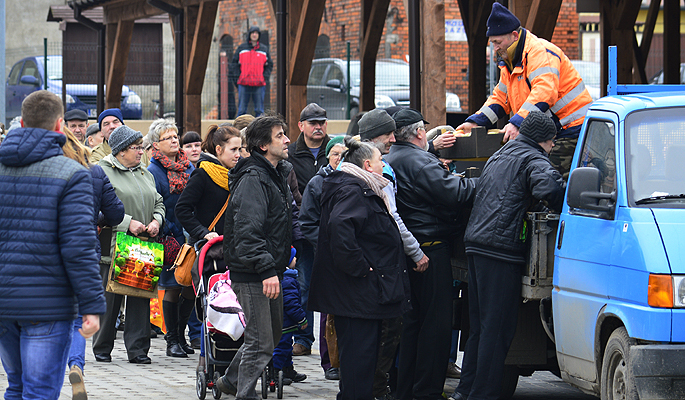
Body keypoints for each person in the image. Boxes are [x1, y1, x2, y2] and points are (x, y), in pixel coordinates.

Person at [449, 111, 566, 400]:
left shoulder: (501, 154)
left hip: (476, 246)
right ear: (545, 140)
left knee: (479, 326)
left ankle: (466, 391)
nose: (552, 148)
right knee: (497, 329)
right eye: (552, 143)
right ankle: (483, 395)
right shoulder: (533, 158)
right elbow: (549, 188)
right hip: (501, 251)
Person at [0, 90, 106, 399]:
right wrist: (91, 305)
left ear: (21, 121)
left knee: (16, 387)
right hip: (48, 305)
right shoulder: (71, 174)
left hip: (4, 301)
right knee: (39, 392)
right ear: (60, 125)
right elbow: (78, 245)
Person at [384, 108, 477, 400]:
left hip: (409, 251)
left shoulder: (393, 158)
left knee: (412, 326)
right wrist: (486, 179)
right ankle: (426, 391)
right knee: (435, 328)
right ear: (420, 133)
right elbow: (458, 193)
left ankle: (406, 389)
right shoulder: (420, 161)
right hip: (430, 250)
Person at [309, 138, 409, 400]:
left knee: (362, 366)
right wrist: (362, 270)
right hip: (356, 295)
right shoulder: (352, 189)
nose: (383, 164)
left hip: (361, 296)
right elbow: (341, 230)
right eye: (380, 160)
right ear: (367, 165)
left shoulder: (357, 186)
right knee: (358, 367)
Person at [456, 2, 592, 178]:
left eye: (497, 42)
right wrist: (476, 123)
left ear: (514, 36)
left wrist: (517, 123)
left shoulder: (539, 52)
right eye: (492, 43)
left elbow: (544, 92)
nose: (494, 48)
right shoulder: (510, 60)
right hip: (551, 131)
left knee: (549, 182)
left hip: (571, 129)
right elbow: (500, 98)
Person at [216, 115, 292, 398]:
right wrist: (267, 270)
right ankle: (243, 393)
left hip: (269, 269)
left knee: (268, 338)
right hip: (254, 272)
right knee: (261, 342)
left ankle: (230, 381)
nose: (286, 140)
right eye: (280, 135)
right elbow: (248, 231)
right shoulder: (253, 178)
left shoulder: (275, 173)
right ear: (262, 145)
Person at [358, 109, 429, 400]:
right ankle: (377, 389)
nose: (393, 138)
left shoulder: (351, 165)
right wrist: (416, 252)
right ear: (375, 137)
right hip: (383, 262)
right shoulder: (380, 171)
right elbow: (393, 219)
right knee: (388, 329)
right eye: (388, 133)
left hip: (368, 262)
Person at [92, 125, 165, 364]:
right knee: (110, 298)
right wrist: (127, 223)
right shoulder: (102, 171)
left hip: (144, 245)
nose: (140, 152)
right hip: (114, 245)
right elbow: (99, 207)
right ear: (121, 151)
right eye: (135, 148)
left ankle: (138, 350)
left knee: (139, 297)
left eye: (140, 147)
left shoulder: (146, 173)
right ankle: (102, 347)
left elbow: (159, 201)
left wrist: (157, 219)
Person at [61, 127, 125, 400]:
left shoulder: (47, 170)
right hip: (84, 246)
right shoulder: (95, 171)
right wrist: (95, 218)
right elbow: (116, 213)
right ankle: (76, 364)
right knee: (77, 316)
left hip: (46, 253)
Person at [176, 124, 243, 369]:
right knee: (212, 305)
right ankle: (208, 361)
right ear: (218, 149)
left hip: (235, 249)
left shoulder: (239, 174)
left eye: (241, 148)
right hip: (210, 251)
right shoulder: (203, 173)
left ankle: (233, 359)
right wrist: (204, 233)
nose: (239, 154)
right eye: (234, 149)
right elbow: (182, 209)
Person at [145, 119, 196, 358]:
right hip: (169, 237)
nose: (175, 140)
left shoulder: (189, 167)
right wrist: (169, 231)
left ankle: (182, 333)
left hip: (191, 235)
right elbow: (155, 204)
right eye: (169, 138)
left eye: (176, 136)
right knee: (173, 286)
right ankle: (172, 340)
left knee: (190, 287)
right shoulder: (153, 171)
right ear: (156, 144)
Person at [297, 134, 345, 380]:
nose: (340, 158)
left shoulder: (354, 179)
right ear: (328, 155)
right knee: (328, 310)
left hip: (349, 256)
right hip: (325, 256)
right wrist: (327, 245)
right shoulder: (317, 183)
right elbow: (307, 222)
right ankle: (330, 362)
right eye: (336, 153)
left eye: (344, 154)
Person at [288, 102, 331, 356]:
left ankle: (331, 340)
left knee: (331, 285)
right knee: (303, 285)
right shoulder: (291, 153)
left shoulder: (335, 149)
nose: (318, 127)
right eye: (313, 122)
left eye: (322, 122)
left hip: (334, 228)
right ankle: (303, 338)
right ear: (301, 125)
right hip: (304, 230)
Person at [272, 250, 308, 385]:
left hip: (285, 324)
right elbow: (292, 304)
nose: (296, 259)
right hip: (285, 324)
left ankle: (287, 369)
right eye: (293, 257)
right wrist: (301, 319)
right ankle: (275, 372)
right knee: (281, 348)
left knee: (287, 348)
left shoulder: (288, 278)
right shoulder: (287, 281)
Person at [232, 26, 273, 117]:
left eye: (256, 33)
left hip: (259, 84)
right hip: (243, 83)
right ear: (249, 35)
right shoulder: (241, 48)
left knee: (259, 110)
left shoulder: (264, 49)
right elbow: (234, 64)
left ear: (259, 35)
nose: (254, 35)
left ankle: (260, 130)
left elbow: (270, 64)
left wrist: (264, 77)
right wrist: (238, 77)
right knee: (242, 109)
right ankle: (239, 129)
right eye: (252, 33)